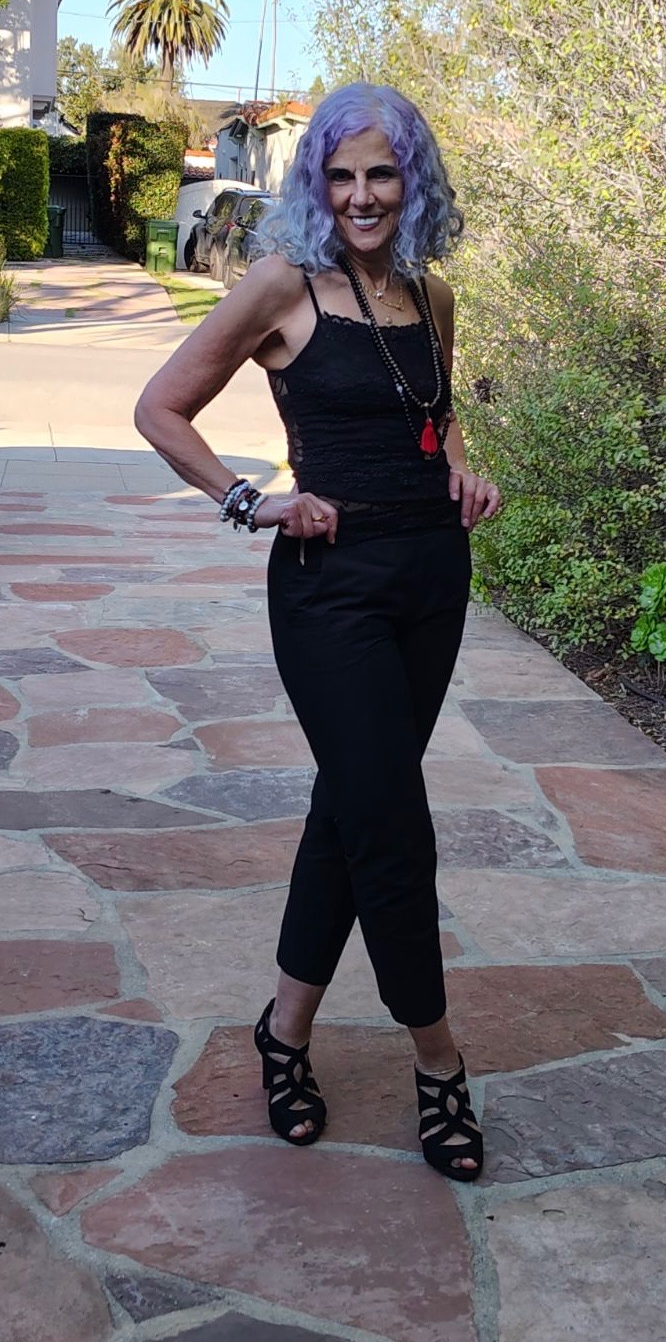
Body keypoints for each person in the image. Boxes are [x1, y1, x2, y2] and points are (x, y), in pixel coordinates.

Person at [135, 83, 501, 1182]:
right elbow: (160, 408)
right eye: (340, 176)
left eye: (381, 173)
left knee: (353, 807)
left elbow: (431, 423)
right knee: (393, 828)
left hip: (431, 578)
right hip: (329, 590)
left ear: (412, 179)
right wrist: (251, 500)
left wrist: (462, 473)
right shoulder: (281, 285)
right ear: (315, 185)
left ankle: (283, 1030)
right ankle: (439, 1060)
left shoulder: (430, 294)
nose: (361, 195)